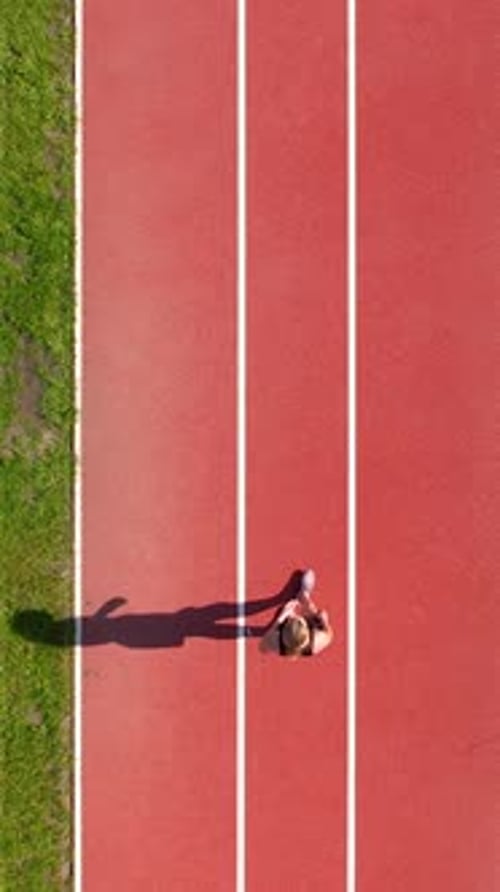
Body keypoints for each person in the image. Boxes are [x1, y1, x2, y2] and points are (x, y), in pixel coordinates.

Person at [259, 568, 333, 658]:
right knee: (314, 612)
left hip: (285, 638)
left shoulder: (275, 642)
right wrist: (324, 622)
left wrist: (280, 619)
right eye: (299, 620)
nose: (296, 616)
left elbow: (262, 648)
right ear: (306, 629)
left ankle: (301, 599)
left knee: (285, 612)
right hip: (301, 637)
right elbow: (329, 634)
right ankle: (304, 596)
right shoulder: (317, 641)